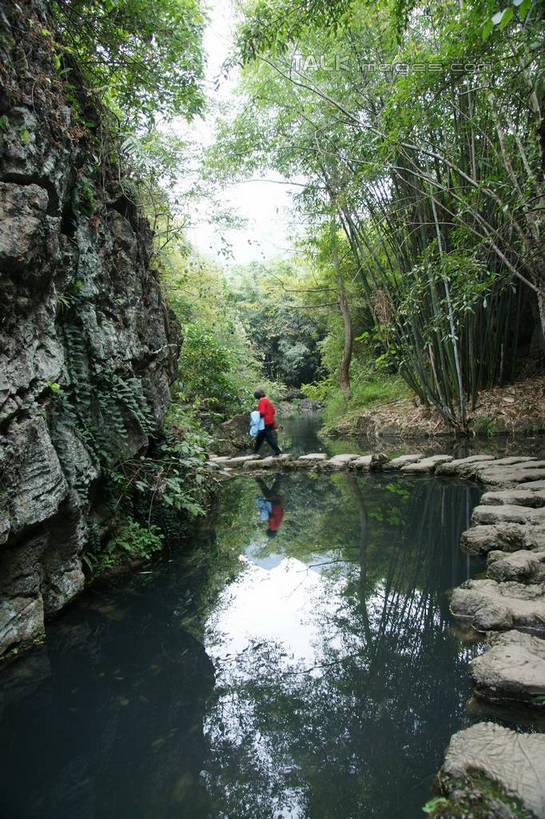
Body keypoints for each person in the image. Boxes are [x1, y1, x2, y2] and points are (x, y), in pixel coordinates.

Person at [253, 388, 282, 456]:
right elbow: (273, 411)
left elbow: (262, 412)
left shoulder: (262, 401)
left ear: (256, 396)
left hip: (265, 423)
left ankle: (278, 452)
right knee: (259, 438)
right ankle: (254, 452)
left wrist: (256, 414)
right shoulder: (267, 400)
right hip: (270, 422)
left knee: (269, 438)